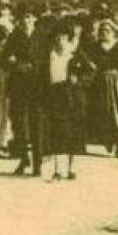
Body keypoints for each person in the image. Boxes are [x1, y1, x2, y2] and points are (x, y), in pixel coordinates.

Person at [42, 20, 93, 181]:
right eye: (57, 38)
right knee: (57, 132)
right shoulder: (48, 56)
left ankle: (71, 168)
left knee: (74, 132)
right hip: (54, 96)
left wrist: (78, 80)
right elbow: (41, 77)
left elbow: (91, 72)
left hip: (73, 97)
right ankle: (57, 169)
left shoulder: (76, 55)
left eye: (63, 38)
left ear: (68, 39)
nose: (60, 41)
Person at [84, 19, 118, 158]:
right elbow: (87, 63)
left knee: (117, 114)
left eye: (107, 31)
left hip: (116, 84)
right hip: (99, 84)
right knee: (102, 114)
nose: (104, 33)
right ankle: (107, 140)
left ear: (113, 32)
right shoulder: (94, 47)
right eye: (101, 31)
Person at [2, 10, 44, 176]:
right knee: (18, 123)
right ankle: (23, 158)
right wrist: (14, 64)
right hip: (18, 85)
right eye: (23, 17)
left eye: (29, 17)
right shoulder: (14, 37)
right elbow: (3, 59)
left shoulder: (41, 37)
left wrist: (34, 66)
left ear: (34, 18)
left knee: (36, 124)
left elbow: (47, 59)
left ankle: (37, 162)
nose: (26, 20)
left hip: (36, 86)